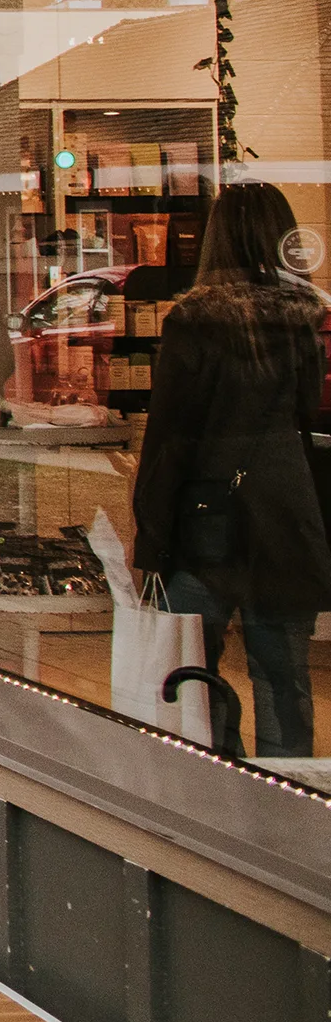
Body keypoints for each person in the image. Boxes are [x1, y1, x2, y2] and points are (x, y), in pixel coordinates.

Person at [132, 180, 331, 757]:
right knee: (284, 674)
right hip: (286, 508)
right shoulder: (304, 318)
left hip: (206, 516)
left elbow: (170, 438)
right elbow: (306, 415)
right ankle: (287, 793)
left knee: (195, 672)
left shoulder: (193, 321)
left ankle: (217, 786)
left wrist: (151, 539)